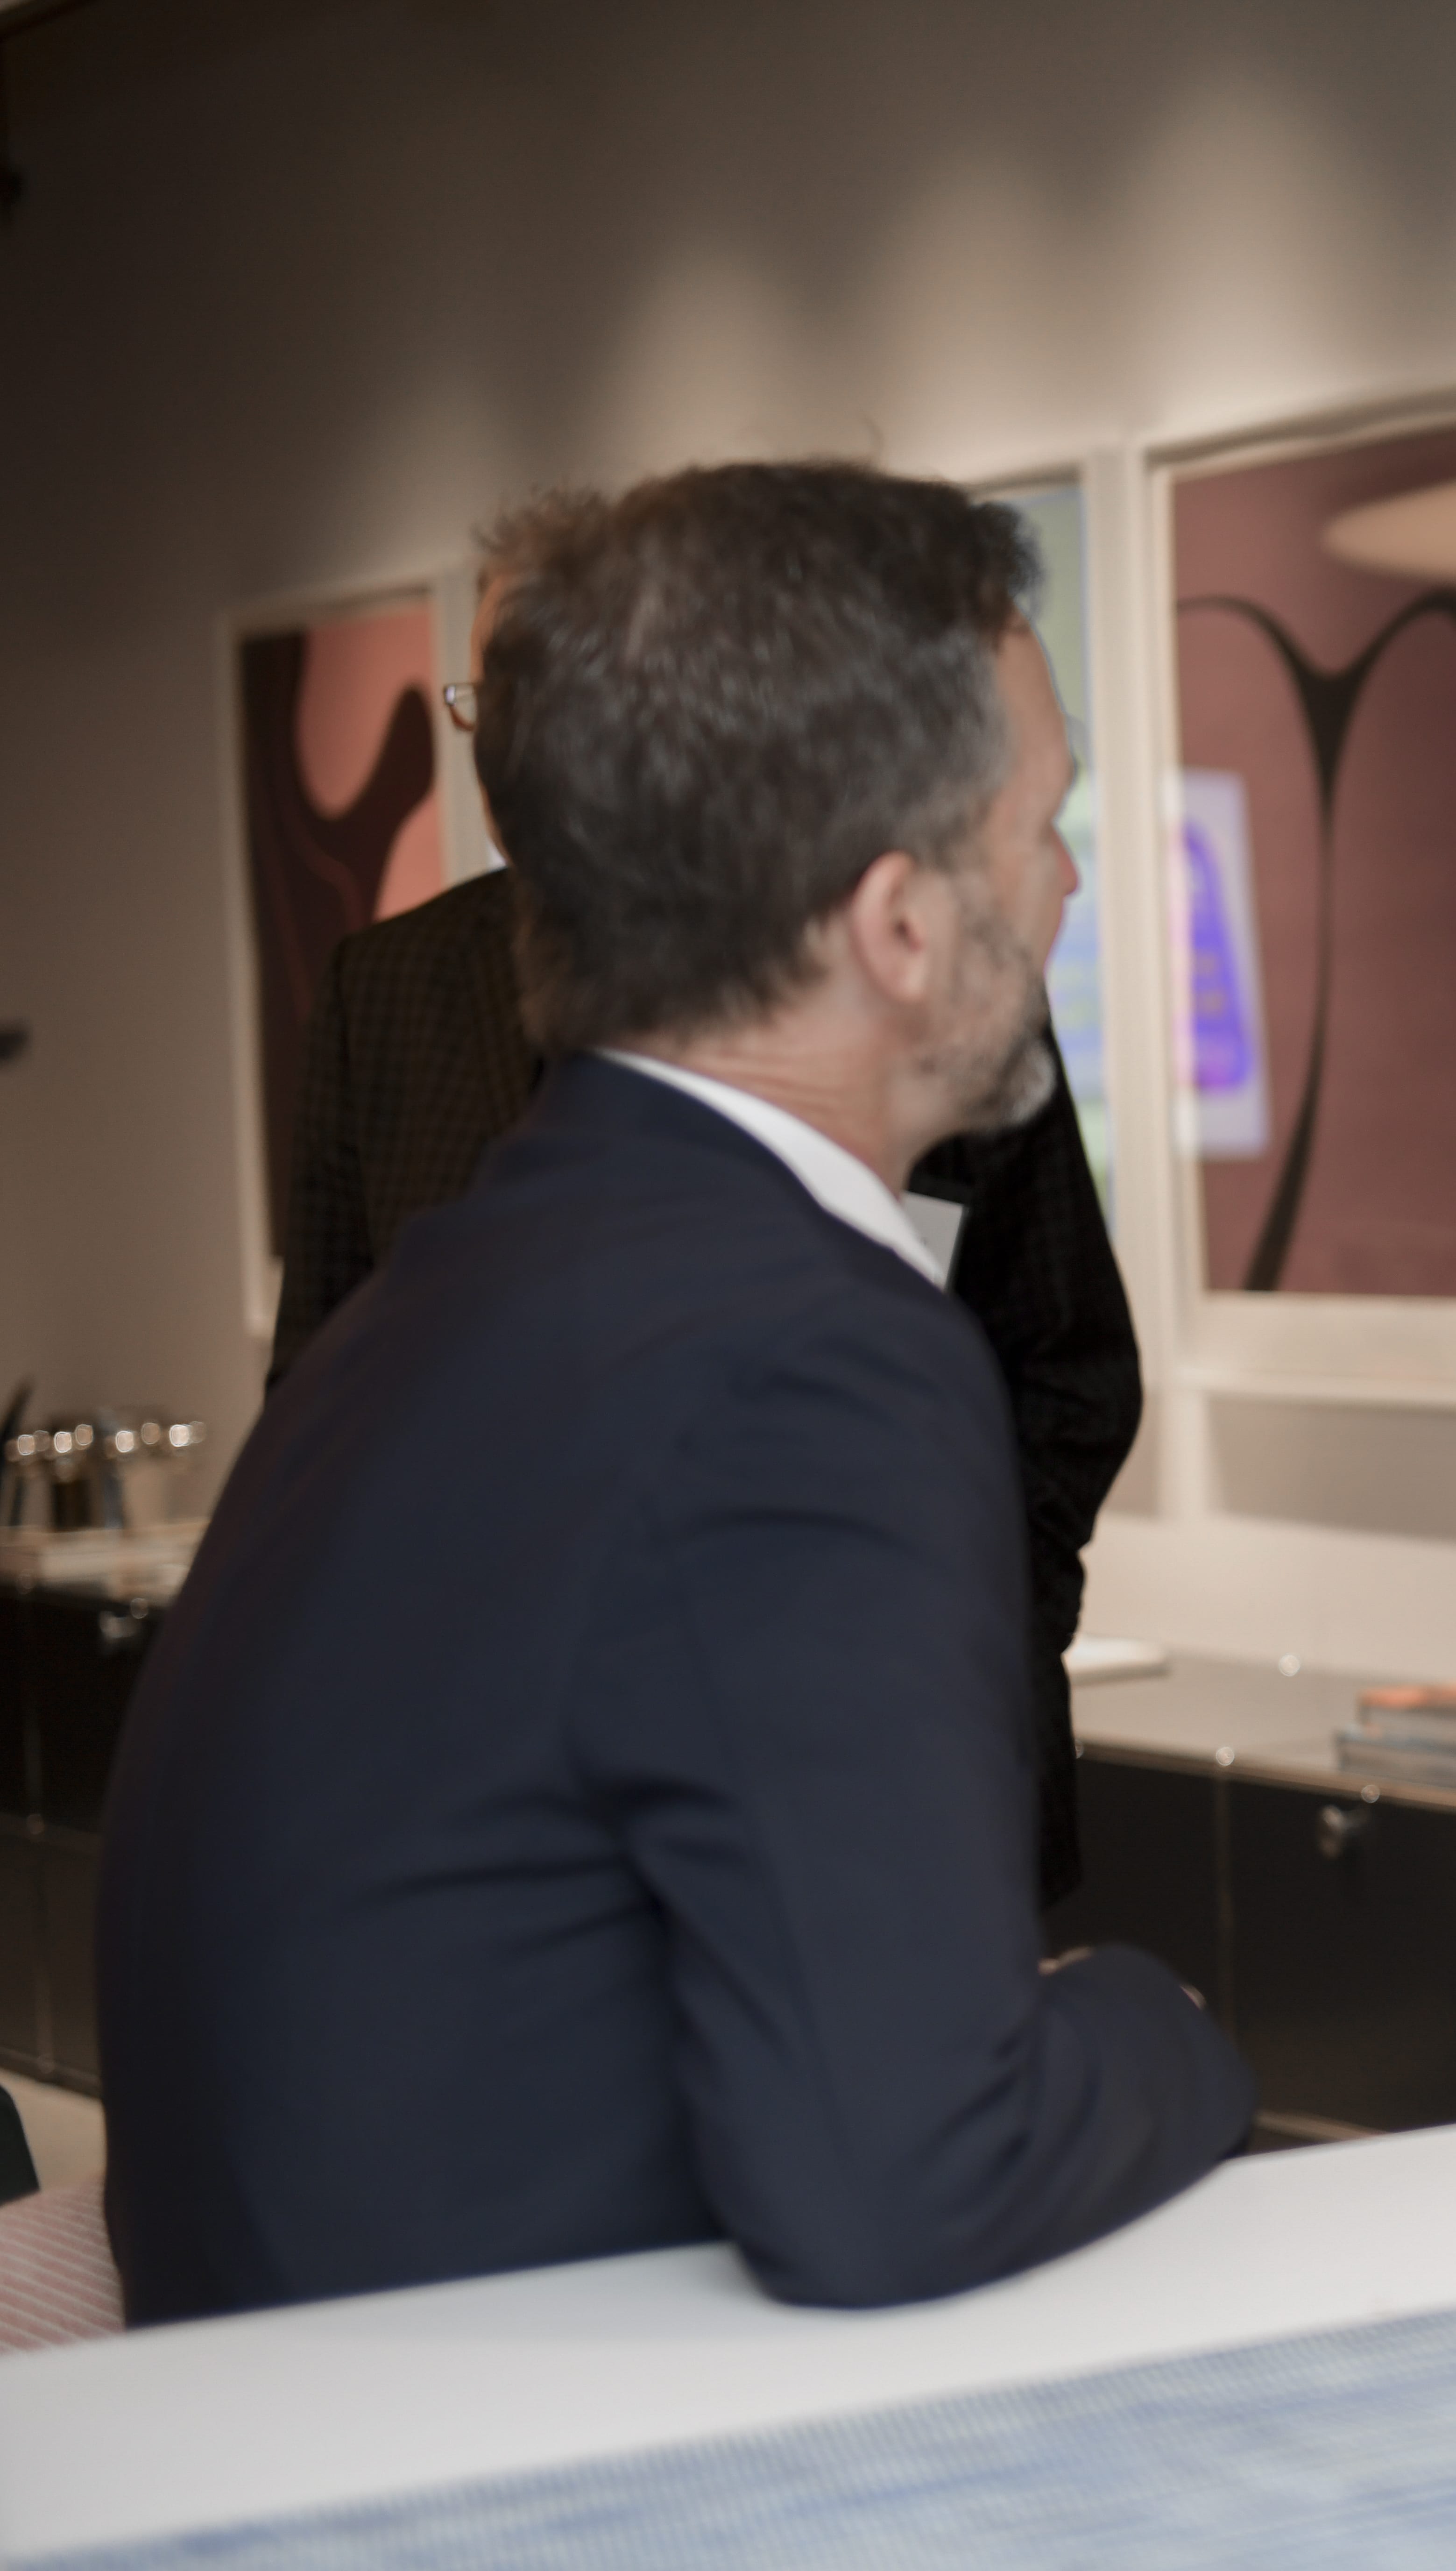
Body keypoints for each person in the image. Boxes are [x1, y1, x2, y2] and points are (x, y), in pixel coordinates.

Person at [102, 462, 1254, 2324]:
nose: (1067, 881)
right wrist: (1164, 2025)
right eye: (1041, 823)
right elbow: (907, 2181)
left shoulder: (461, 1292)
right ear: (896, 924)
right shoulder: (810, 1354)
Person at [268, 514, 1136, 1912]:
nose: (517, 746)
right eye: (492, 700)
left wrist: (971, 1633)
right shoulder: (400, 1002)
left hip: (915, 1788)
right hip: (553, 1845)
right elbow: (321, 1399)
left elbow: (1069, 1372)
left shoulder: (941, 1021)